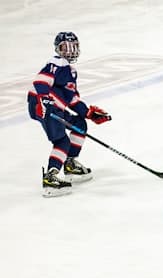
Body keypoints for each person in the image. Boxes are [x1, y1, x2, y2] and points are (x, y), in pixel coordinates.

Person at [27, 32, 111, 197]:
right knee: (62, 141)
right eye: (65, 47)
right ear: (58, 49)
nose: (70, 51)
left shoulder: (70, 71)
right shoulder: (56, 62)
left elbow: (71, 98)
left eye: (73, 47)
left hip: (54, 107)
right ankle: (50, 177)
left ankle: (70, 163)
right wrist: (43, 100)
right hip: (43, 106)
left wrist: (88, 113)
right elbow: (40, 81)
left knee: (80, 125)